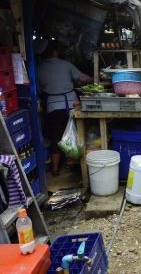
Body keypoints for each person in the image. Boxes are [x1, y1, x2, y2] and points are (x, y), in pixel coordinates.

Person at [35, 38, 93, 177]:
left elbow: (38, 91)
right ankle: (72, 164)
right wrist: (92, 78)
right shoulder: (66, 65)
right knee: (73, 135)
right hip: (71, 105)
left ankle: (55, 170)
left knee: (56, 137)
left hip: (52, 107)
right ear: (55, 51)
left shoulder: (38, 68)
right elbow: (85, 79)